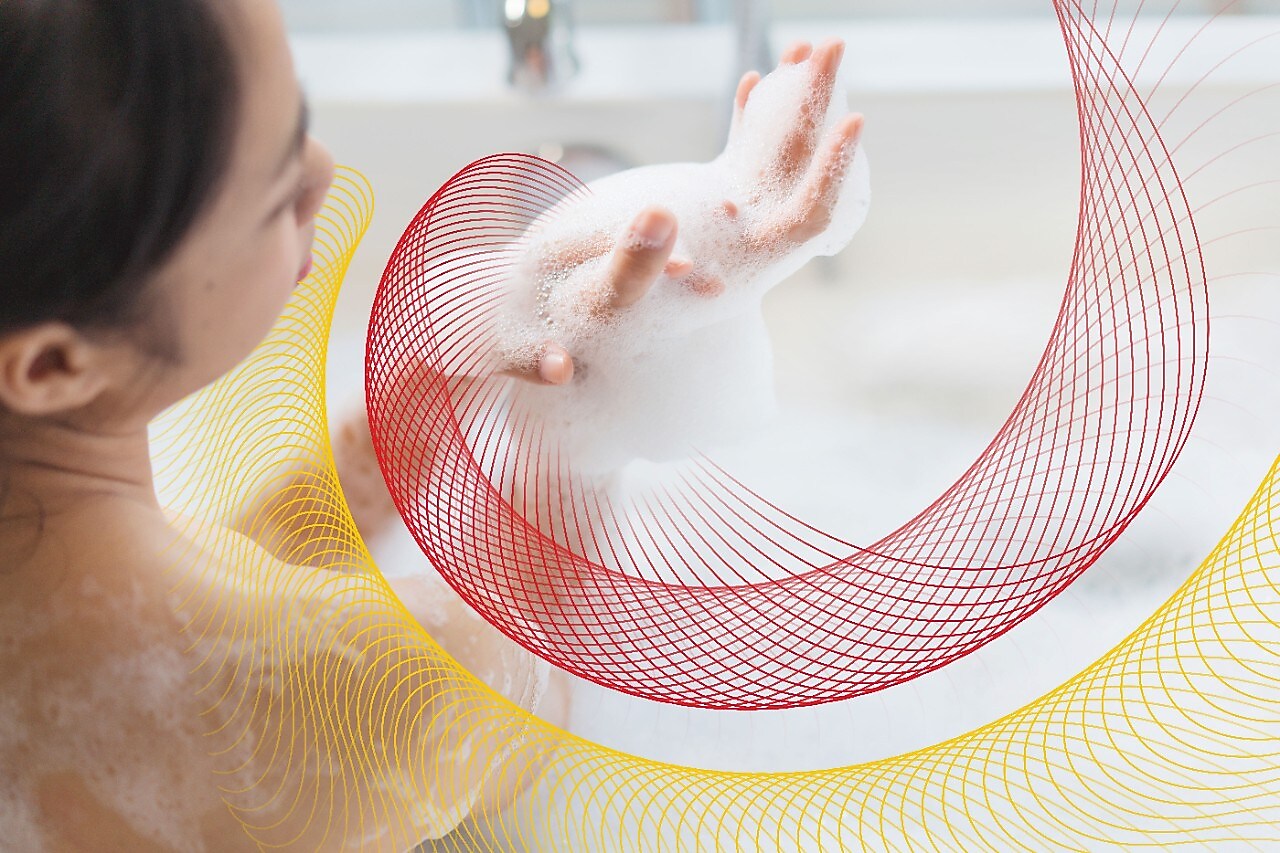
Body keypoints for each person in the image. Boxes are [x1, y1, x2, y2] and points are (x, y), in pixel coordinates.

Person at [0, 0, 860, 847]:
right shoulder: (351, 702)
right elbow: (526, 675)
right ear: (53, 367)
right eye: (271, 195)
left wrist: (449, 358)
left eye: (297, 121)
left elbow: (220, 582)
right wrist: (574, 432)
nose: (323, 169)